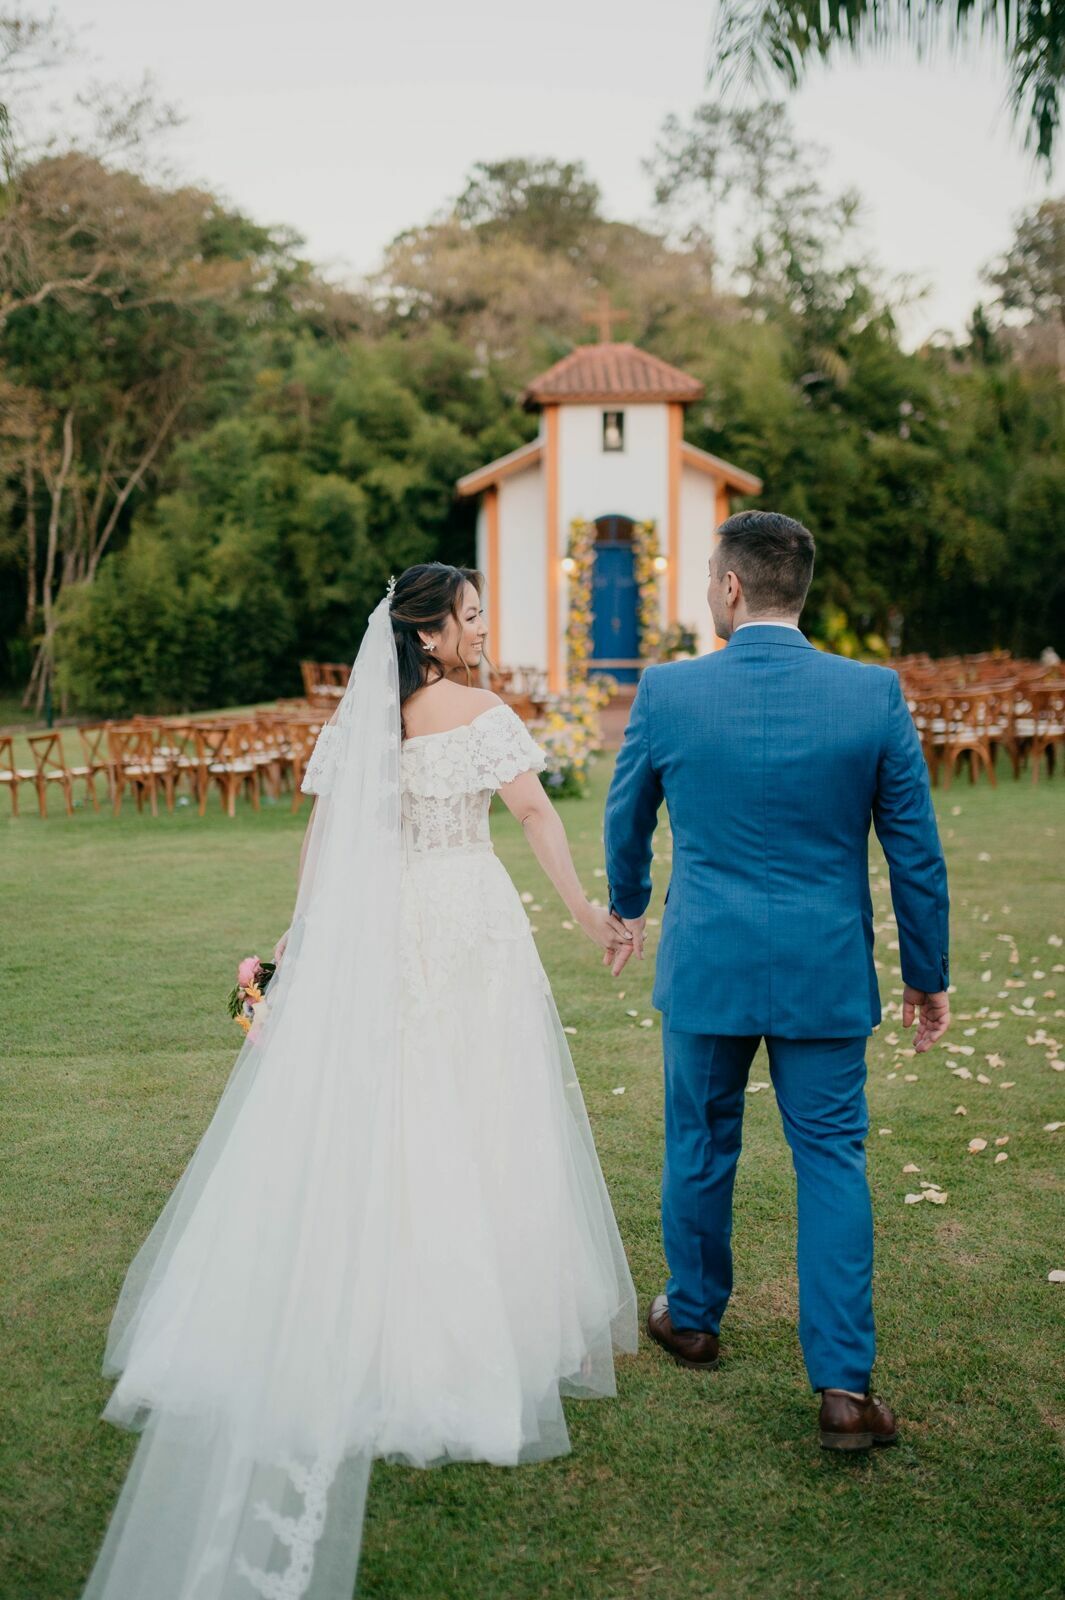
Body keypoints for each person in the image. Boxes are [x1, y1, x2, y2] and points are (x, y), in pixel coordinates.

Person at [81, 563, 637, 1599]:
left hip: (384, 925)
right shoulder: (480, 711)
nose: (482, 628)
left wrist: (304, 935)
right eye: (471, 615)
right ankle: (457, 1336)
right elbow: (535, 818)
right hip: (465, 918)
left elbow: (326, 839)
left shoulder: (365, 727)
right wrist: (582, 913)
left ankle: (361, 1308)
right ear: (430, 635)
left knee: (389, 1105)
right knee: (476, 1106)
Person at [604, 510, 950, 1452]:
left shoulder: (667, 693)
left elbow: (625, 815)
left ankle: (692, 1317)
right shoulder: (870, 694)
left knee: (700, 1139)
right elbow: (913, 853)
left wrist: (628, 904)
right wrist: (927, 974)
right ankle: (843, 1388)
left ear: (727, 588)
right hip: (824, 968)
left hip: (708, 960)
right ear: (798, 588)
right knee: (832, 1157)